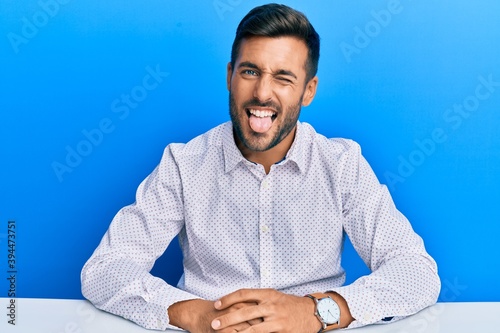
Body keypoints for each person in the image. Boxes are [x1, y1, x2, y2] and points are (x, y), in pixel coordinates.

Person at [81, 3, 440, 332]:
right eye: (250, 71)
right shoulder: (184, 164)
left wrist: (315, 312)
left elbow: (417, 272)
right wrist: (194, 313)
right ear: (229, 76)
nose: (263, 93)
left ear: (308, 90)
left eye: (283, 78)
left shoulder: (341, 164)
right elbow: (103, 271)